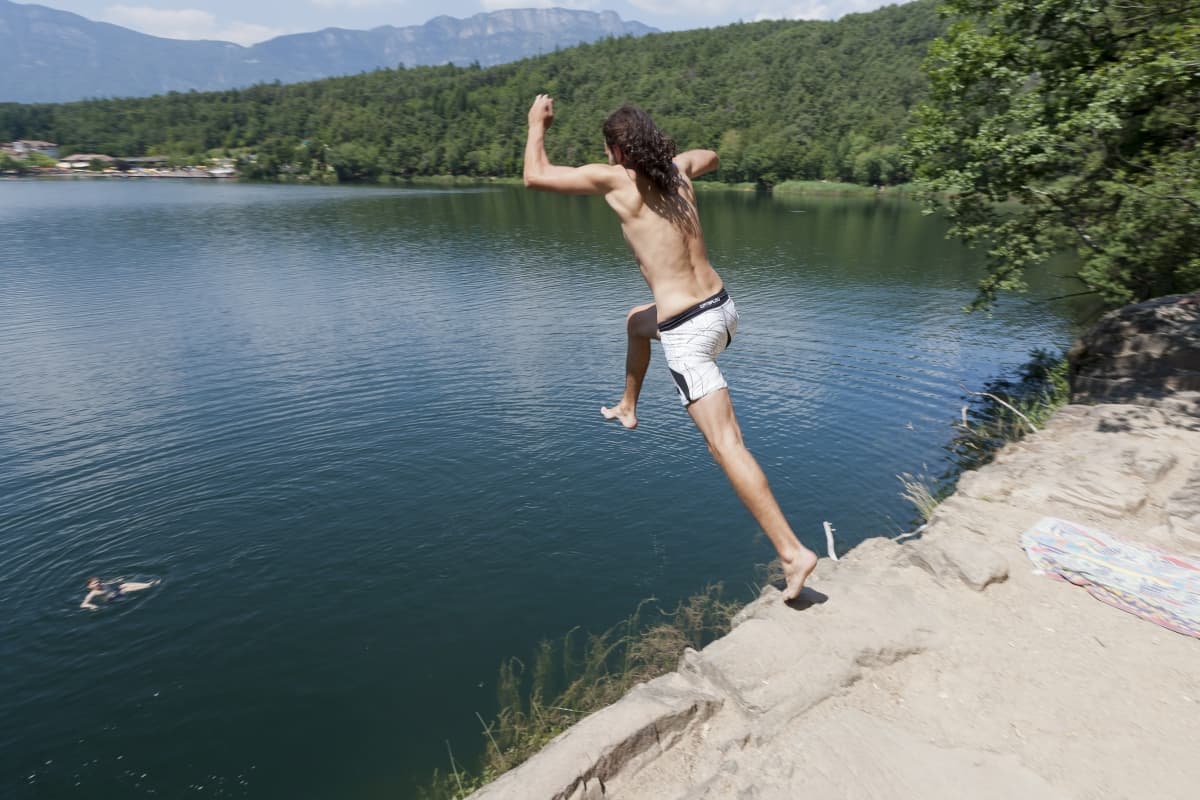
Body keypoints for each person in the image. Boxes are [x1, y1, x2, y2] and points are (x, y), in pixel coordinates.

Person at [523, 94, 819, 600]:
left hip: (689, 333)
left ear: (617, 150)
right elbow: (711, 156)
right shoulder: (679, 171)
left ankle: (794, 553)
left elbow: (536, 175)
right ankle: (627, 406)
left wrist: (537, 124)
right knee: (637, 323)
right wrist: (677, 158)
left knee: (726, 446)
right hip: (723, 310)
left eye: (610, 149)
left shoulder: (617, 181)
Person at [80, 576, 159, 610]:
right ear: (89, 587)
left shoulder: (103, 584)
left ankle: (148, 584)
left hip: (116, 592)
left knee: (124, 585)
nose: (98, 584)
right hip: (113, 599)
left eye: (98, 582)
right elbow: (83, 604)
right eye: (94, 583)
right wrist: (92, 606)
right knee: (125, 590)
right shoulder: (93, 594)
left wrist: (117, 580)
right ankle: (148, 586)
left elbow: (109, 582)